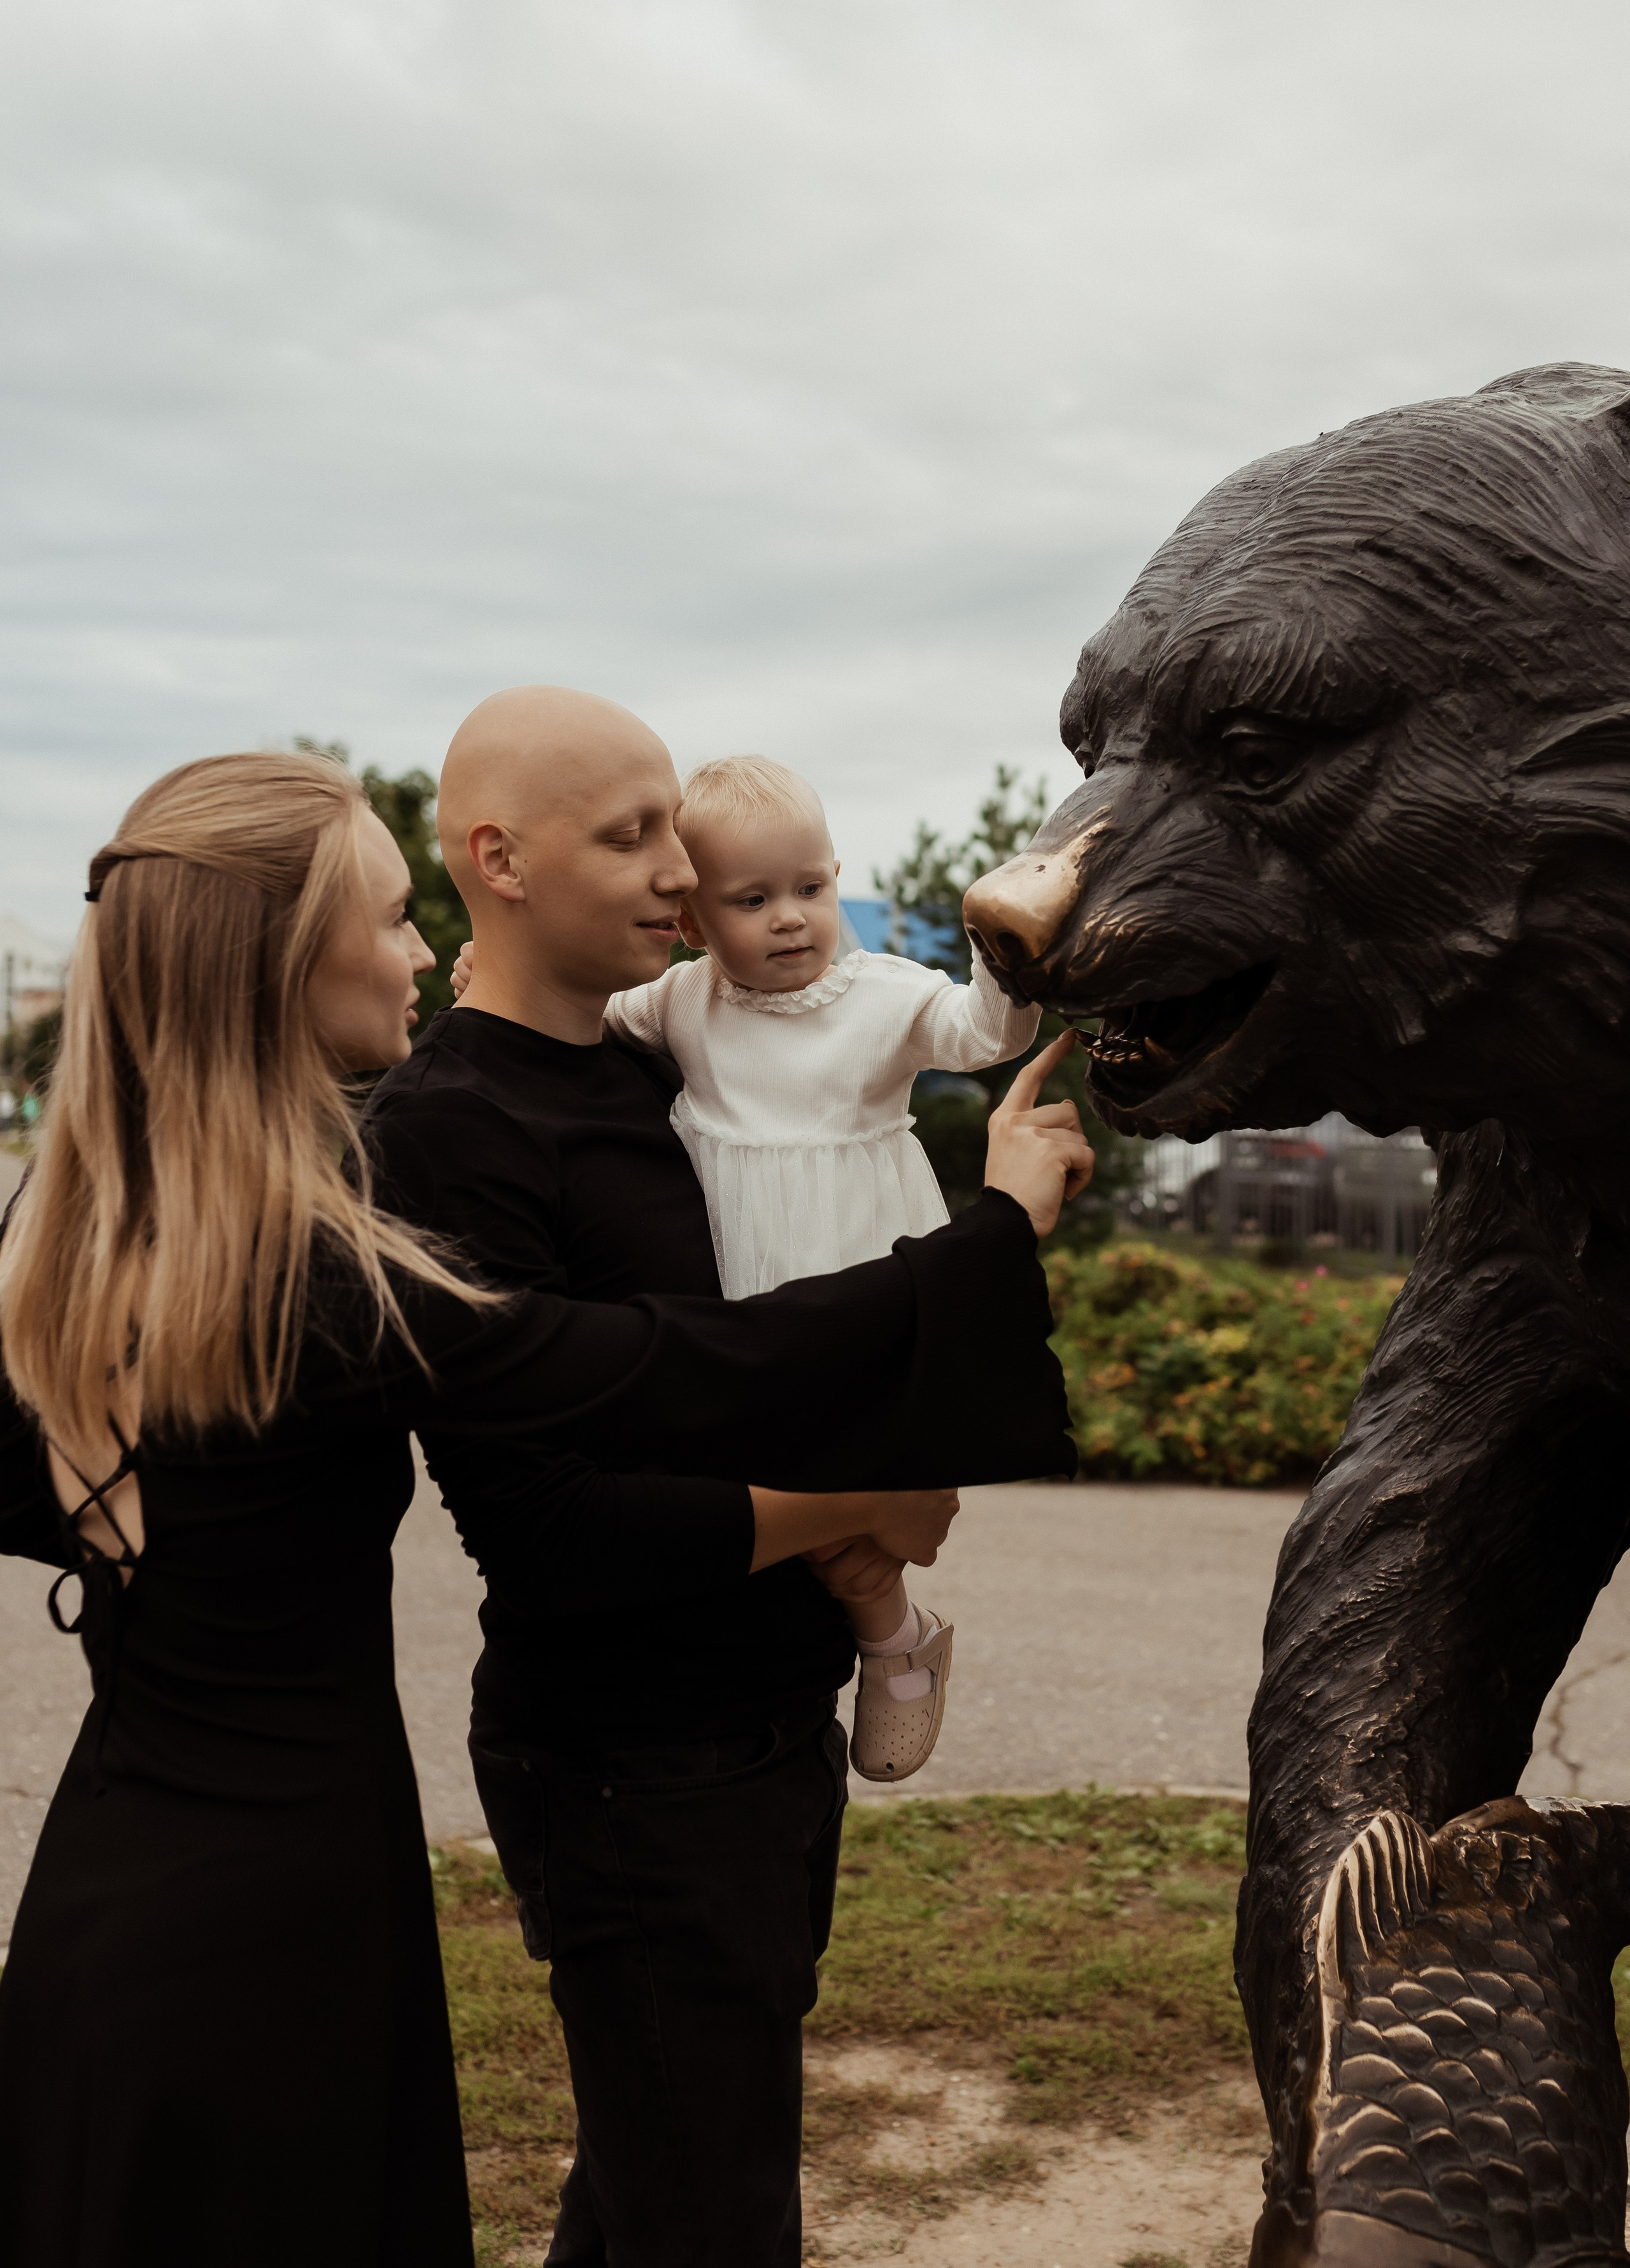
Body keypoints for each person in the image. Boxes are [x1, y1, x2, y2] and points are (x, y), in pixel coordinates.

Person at [0, 748, 1087, 2268]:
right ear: (274, 962)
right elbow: (668, 1369)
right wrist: (991, 1234)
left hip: (119, 1884)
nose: (414, 951)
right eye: (386, 920)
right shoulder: (322, 1276)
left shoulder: (82, 1250)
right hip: (280, 1906)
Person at [365, 687, 1090, 2268]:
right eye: (636, 841)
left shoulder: (655, 1070)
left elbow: (786, 1314)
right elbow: (551, 1533)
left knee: (657, 2192)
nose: (681, 883)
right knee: (713, 2211)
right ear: (497, 859)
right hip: (631, 1756)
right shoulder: (447, 1128)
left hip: (761, 1722)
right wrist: (871, 1493)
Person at [451, 748, 1044, 1785]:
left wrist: (1002, 946)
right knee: (769, 1481)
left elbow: (983, 1031)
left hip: (861, 1271)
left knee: (866, 1462)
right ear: (694, 922)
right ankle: (893, 1630)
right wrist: (476, 976)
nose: (790, 918)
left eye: (812, 887)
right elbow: (564, 1014)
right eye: (752, 898)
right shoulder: (681, 1005)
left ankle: (888, 1629)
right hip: (744, 1294)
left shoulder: (881, 995)